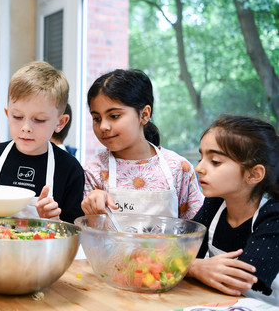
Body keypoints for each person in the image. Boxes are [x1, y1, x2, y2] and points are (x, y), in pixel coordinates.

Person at [81, 69, 203, 218]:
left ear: (144, 114)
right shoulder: (93, 171)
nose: (103, 127)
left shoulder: (178, 168)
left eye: (114, 116)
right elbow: (88, 233)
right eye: (97, 118)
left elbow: (194, 228)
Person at [0, 61, 84, 223]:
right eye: (17, 116)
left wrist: (55, 220)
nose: (26, 128)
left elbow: (75, 231)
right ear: (7, 113)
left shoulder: (69, 168)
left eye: (39, 120)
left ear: (60, 122)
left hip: (44, 248)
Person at [187, 115, 279, 304]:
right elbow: (178, 250)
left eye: (215, 161)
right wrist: (194, 266)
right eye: (200, 157)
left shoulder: (274, 216)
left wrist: (191, 267)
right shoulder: (214, 204)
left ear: (254, 174)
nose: (198, 168)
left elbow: (240, 281)